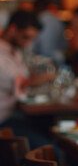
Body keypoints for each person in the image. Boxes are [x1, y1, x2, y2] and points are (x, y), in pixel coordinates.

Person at [0, 10, 56, 148]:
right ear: (13, 29)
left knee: (51, 131)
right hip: (3, 121)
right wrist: (46, 77)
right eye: (25, 37)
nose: (28, 43)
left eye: (31, 39)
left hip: (13, 114)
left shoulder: (15, 50)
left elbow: (26, 75)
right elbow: (21, 82)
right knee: (52, 148)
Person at [31, 0, 68, 66]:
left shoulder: (38, 20)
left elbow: (33, 44)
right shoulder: (57, 20)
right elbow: (64, 44)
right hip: (58, 59)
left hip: (41, 60)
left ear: (36, 8)